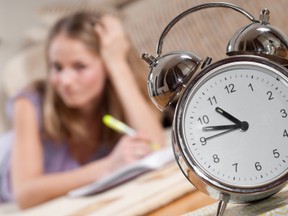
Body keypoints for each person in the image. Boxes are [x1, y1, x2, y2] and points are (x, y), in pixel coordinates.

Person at [0, 11, 164, 209]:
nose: (65, 81)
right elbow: (26, 193)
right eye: (57, 67)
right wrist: (109, 166)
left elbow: (156, 148)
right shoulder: (30, 101)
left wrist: (117, 63)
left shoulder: (118, 100)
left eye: (80, 66)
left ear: (105, 64)